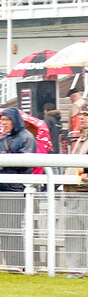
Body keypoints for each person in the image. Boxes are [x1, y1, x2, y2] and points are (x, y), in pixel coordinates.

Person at [0, 107, 35, 270]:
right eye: (2, 120)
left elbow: (24, 164)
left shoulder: (26, 137)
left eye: (7, 120)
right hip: (2, 189)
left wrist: (0, 156)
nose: (4, 123)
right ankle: (11, 266)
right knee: (5, 229)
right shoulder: (2, 139)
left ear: (15, 120)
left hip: (16, 190)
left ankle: (20, 265)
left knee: (13, 228)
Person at [64, 104, 88, 278]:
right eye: (81, 114)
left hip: (84, 192)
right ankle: (76, 270)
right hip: (72, 191)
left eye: (86, 115)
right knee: (73, 234)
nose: (81, 117)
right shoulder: (81, 138)